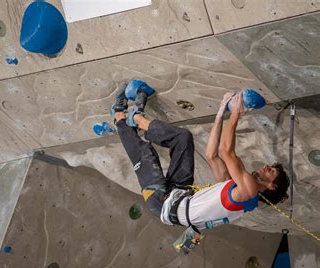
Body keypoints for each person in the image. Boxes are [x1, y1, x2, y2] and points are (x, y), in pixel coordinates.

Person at [111, 82, 290, 250]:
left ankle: (119, 115)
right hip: (180, 191)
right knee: (183, 138)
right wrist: (220, 112)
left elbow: (226, 152)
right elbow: (212, 156)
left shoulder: (249, 190)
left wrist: (236, 113)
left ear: (271, 186)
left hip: (163, 202)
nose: (266, 167)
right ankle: (138, 119)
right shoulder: (238, 192)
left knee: (145, 152)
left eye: (271, 171)